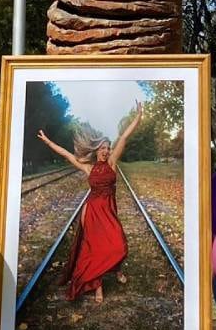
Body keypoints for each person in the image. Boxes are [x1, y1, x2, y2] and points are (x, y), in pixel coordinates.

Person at [36, 104, 145, 303]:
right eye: (102, 148)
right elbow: (67, 154)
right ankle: (98, 288)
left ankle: (116, 268)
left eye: (107, 148)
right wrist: (48, 141)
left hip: (108, 211)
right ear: (96, 150)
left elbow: (123, 138)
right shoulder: (88, 168)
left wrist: (137, 118)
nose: (106, 151)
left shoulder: (112, 163)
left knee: (119, 245)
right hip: (92, 212)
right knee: (94, 249)